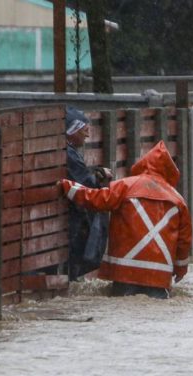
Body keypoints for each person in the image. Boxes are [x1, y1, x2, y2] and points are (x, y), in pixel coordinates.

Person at [59, 141, 192, 298]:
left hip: (124, 272)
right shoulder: (178, 200)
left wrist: (67, 186)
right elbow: (184, 241)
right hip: (159, 277)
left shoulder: (125, 186)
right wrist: (180, 269)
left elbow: (95, 199)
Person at [65, 106, 113, 281]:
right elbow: (85, 183)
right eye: (84, 131)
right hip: (72, 221)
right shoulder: (69, 154)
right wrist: (99, 178)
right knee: (77, 258)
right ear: (73, 130)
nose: (87, 135)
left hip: (71, 220)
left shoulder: (70, 151)